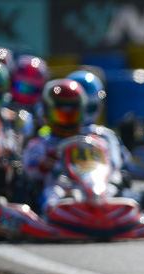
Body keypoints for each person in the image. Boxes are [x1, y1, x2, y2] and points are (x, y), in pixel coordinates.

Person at [23, 78, 90, 213]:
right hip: (55, 189)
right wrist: (43, 164)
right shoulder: (39, 144)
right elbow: (30, 171)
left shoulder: (91, 143)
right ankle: (54, 216)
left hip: (89, 190)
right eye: (62, 116)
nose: (67, 122)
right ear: (47, 113)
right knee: (52, 193)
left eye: (72, 116)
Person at [66, 70, 134, 187]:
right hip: (69, 189)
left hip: (104, 188)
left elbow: (124, 165)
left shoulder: (105, 135)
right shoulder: (55, 136)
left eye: (88, 107)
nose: (83, 114)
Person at [8, 54, 49, 148]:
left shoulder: (42, 114)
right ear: (12, 83)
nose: (25, 93)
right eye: (21, 87)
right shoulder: (2, 107)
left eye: (31, 89)